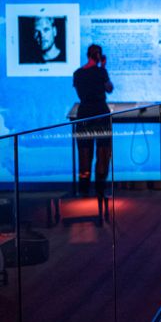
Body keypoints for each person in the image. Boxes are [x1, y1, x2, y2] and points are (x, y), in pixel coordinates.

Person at [72, 44, 113, 222]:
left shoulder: (78, 73)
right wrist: (103, 68)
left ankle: (83, 189)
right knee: (103, 152)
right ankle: (100, 187)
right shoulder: (100, 72)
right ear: (98, 56)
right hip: (101, 114)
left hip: (84, 115)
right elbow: (109, 88)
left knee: (84, 152)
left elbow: (81, 92)